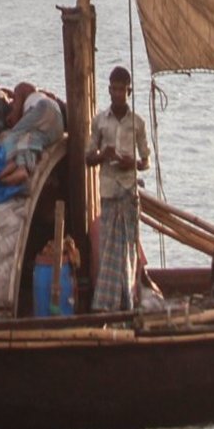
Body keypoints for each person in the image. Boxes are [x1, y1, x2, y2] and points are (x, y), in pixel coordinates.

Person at [86, 65, 149, 312]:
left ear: (129, 91)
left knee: (129, 249)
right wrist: (104, 155)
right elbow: (88, 158)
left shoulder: (138, 124)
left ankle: (127, 301)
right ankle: (106, 303)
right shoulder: (100, 121)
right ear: (109, 90)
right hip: (109, 192)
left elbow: (146, 161)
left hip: (129, 191)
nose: (118, 94)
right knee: (108, 249)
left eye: (122, 90)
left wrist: (130, 162)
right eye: (114, 89)